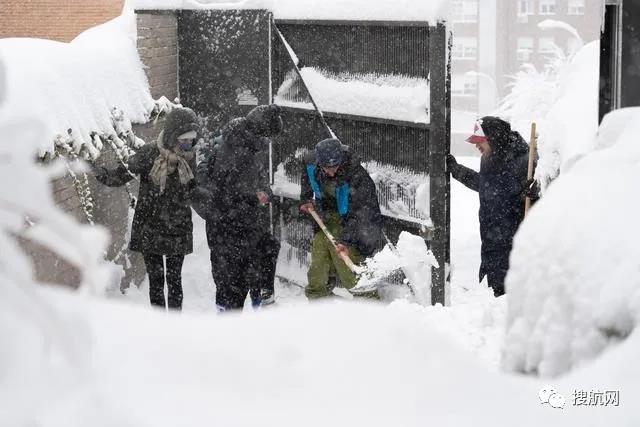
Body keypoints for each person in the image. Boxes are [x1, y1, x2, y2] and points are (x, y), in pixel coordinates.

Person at [93, 107, 200, 310]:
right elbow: (123, 174)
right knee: (156, 281)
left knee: (175, 280)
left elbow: (194, 188)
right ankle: (159, 327)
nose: (188, 144)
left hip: (178, 227)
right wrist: (100, 173)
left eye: (191, 140)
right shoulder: (150, 153)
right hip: (151, 226)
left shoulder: (189, 157)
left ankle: (176, 328)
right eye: (184, 140)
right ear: (172, 136)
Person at [194, 104, 283, 311]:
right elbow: (225, 194)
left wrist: (264, 192)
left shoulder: (248, 147)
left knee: (266, 250)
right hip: (227, 226)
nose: (268, 142)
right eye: (268, 136)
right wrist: (253, 197)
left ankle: (260, 298)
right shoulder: (232, 151)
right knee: (232, 283)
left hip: (243, 223)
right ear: (260, 131)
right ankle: (230, 323)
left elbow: (258, 179)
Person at [447, 116, 538, 297]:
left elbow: (540, 201)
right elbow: (486, 185)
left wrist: (534, 195)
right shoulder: (491, 157)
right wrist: (456, 170)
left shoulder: (524, 160)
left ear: (494, 138)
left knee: (507, 299)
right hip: (492, 243)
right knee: (494, 299)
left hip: (512, 246)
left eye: (480, 141)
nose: (476, 145)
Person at [300, 138, 383, 299]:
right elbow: (308, 177)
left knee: (345, 262)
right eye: (326, 168)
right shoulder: (311, 162)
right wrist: (306, 198)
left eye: (334, 167)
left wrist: (345, 241)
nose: (331, 172)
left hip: (353, 224)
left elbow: (363, 215)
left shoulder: (358, 177)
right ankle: (317, 299)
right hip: (326, 217)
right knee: (318, 261)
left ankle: (368, 301)